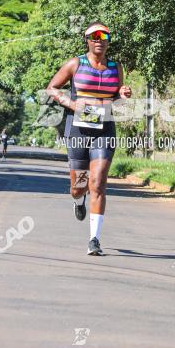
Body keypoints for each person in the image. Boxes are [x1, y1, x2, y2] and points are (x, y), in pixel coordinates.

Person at [45, 21, 132, 255]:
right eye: (94, 35)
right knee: (79, 186)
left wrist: (123, 93)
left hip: (104, 129)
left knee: (99, 182)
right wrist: (72, 104)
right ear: (87, 39)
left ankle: (94, 239)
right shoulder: (76, 64)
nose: (99, 39)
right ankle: (78, 200)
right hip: (78, 131)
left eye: (104, 35)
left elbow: (118, 95)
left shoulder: (116, 67)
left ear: (108, 40)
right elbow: (52, 88)